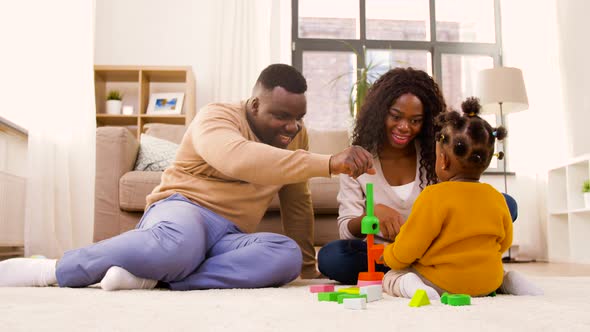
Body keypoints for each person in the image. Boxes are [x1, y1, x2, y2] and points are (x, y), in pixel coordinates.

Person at [0, 64, 376, 290]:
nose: (291, 127)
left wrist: (306, 271)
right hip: (183, 212)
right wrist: (328, 162)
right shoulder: (216, 117)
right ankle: (53, 269)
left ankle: (154, 278)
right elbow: (241, 160)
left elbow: (298, 201)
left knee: (284, 256)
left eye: (299, 118)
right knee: (178, 246)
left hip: (230, 236)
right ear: (255, 104)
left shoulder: (296, 135)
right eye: (281, 116)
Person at [317, 67, 519, 285]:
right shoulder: (358, 160)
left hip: (436, 249)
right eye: (396, 116)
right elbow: (346, 230)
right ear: (380, 113)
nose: (404, 127)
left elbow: (465, 199)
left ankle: (419, 272)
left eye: (416, 120)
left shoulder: (438, 154)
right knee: (333, 256)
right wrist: (370, 214)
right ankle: (427, 271)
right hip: (385, 251)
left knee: (506, 204)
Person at [381, 97, 542, 299]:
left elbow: (409, 246)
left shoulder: (433, 196)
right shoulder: (495, 197)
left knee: (393, 276)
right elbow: (505, 242)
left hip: (443, 283)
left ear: (443, 160)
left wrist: (389, 256)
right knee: (497, 274)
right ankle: (508, 280)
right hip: (487, 282)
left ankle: (415, 288)